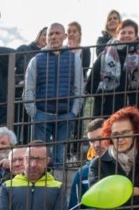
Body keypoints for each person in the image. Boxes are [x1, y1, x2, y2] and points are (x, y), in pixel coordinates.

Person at [24, 23, 86, 170]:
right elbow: (29, 88)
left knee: (60, 158)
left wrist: (73, 112)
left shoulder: (74, 59)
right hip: (42, 114)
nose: (53, 37)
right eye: (50, 34)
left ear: (64, 36)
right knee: (39, 156)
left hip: (65, 114)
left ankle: (58, 188)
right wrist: (33, 112)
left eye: (57, 33)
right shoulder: (36, 60)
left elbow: (79, 88)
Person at [89, 20, 139, 120]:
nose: (126, 35)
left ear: (136, 36)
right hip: (107, 112)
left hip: (135, 112)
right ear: (117, 35)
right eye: (123, 32)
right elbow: (91, 84)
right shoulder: (104, 56)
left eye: (130, 33)